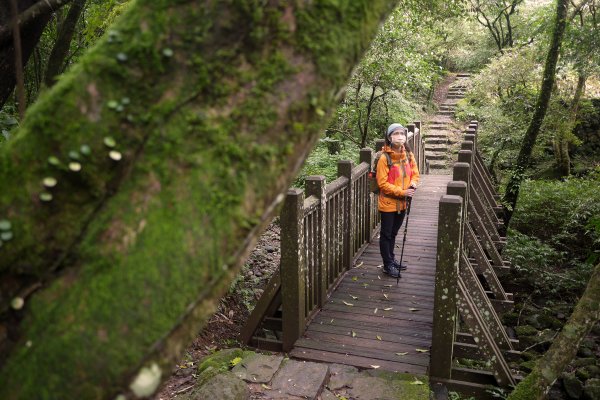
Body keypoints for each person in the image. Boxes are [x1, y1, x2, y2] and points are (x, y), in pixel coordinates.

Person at [376, 123, 420, 278]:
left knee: (393, 233)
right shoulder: (384, 158)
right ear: (389, 137)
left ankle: (391, 259)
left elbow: (415, 173)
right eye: (396, 133)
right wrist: (402, 192)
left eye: (402, 133)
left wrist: (413, 183)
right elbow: (382, 183)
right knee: (386, 234)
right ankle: (387, 265)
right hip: (388, 202)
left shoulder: (408, 154)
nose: (400, 136)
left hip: (403, 201)